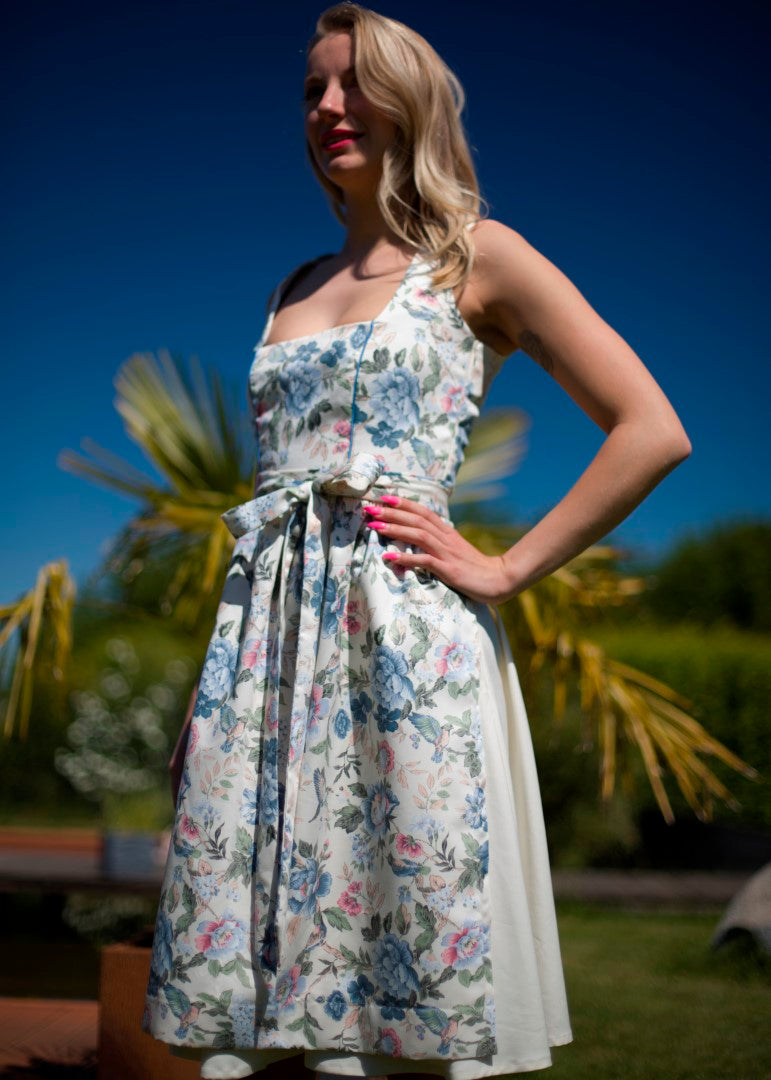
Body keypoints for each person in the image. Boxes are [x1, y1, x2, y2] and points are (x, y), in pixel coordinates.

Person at [143, 4, 691, 1079]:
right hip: (266, 666)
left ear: (414, 100)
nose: (330, 106)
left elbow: (653, 430)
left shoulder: (477, 256)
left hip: (407, 644)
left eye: (355, 81)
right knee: (268, 1012)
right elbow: (272, 512)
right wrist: (213, 699)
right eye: (312, 89)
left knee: (410, 981)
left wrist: (508, 567)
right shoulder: (290, 289)